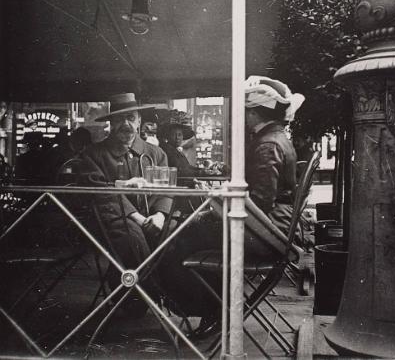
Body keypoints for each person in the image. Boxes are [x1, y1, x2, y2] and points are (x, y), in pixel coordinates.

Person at [157, 76, 305, 325]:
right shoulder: (276, 139)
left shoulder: (267, 145)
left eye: (247, 111)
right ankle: (215, 308)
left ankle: (204, 307)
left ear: (257, 114)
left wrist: (216, 211)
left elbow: (259, 204)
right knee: (198, 231)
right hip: (275, 231)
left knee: (179, 238)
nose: (244, 117)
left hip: (267, 234)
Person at [81, 93, 170, 314]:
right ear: (111, 123)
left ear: (139, 120)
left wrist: (159, 216)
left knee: (177, 234)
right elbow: (101, 193)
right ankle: (157, 293)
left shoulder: (156, 153)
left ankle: (138, 293)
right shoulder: (94, 154)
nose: (126, 124)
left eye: (131, 117)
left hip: (153, 218)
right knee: (132, 238)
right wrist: (138, 218)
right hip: (112, 220)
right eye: (120, 119)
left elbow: (166, 191)